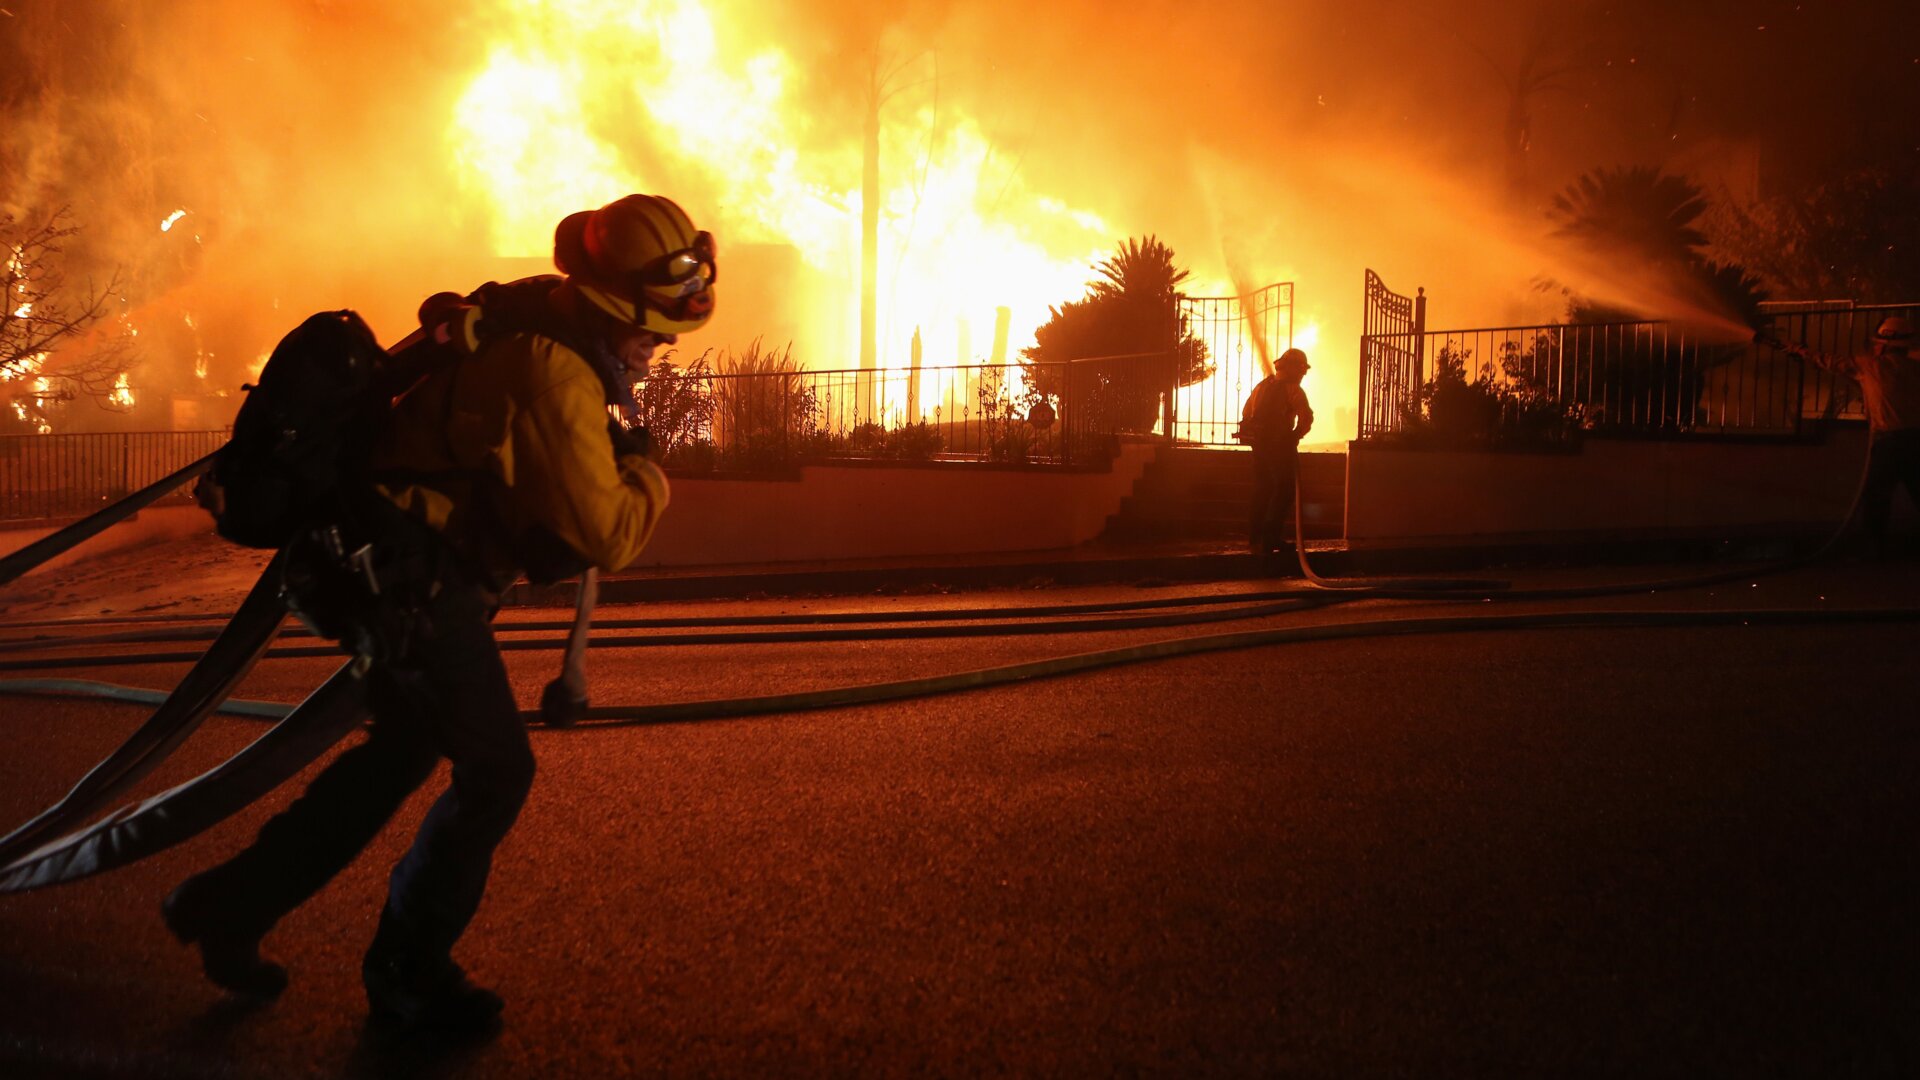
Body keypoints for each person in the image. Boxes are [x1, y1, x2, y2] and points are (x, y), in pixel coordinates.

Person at [159, 194, 715, 1034]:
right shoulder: (556, 374)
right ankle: (406, 970)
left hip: (367, 564)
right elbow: (609, 534)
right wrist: (646, 471)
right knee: (496, 772)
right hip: (402, 583)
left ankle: (231, 905)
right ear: (613, 309)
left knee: (401, 755)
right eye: (651, 335)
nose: (655, 353)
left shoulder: (533, 315)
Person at [1781, 315, 1920, 556]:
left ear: (1885, 343)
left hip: (1888, 441)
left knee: (1876, 494)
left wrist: (1800, 350)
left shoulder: (1869, 366)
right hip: (1916, 440)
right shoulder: (1914, 369)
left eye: (1878, 342)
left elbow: (1831, 362)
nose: (1875, 345)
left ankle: (1875, 547)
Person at [1239, 348, 1314, 557]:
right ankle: (1270, 539)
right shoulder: (1293, 390)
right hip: (1280, 447)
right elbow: (1306, 418)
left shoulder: (1261, 386)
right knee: (1285, 490)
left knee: (1262, 488)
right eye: (1301, 369)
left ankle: (1255, 539)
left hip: (1259, 446)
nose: (1303, 374)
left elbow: (1246, 413)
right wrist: (1295, 436)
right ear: (1290, 368)